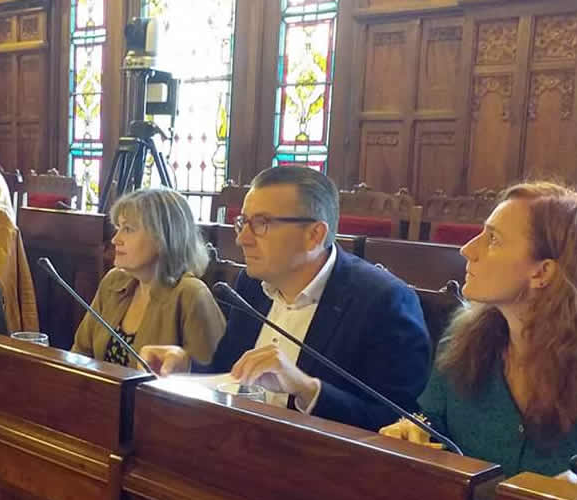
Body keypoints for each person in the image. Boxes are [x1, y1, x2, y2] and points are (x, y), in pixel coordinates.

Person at [380, 182, 577, 500]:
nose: (468, 249)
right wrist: (413, 432)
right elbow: (433, 422)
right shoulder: (462, 340)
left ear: (543, 272)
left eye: (493, 239)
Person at [141, 166, 431, 431]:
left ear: (314, 235)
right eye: (243, 222)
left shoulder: (383, 302)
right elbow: (229, 377)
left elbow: (402, 424)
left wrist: (307, 389)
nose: (243, 238)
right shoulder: (250, 286)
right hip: (237, 443)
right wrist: (187, 367)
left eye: (261, 223)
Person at [73, 189, 225, 368]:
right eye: (118, 228)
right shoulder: (113, 282)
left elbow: (212, 375)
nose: (115, 239)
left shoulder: (192, 294)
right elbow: (80, 352)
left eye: (128, 229)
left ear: (163, 237)